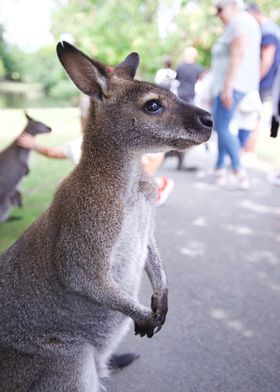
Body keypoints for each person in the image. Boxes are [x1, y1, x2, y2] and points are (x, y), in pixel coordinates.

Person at [210, 0, 261, 188]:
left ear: (232, 5)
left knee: (221, 126)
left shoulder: (239, 21)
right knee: (222, 125)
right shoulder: (242, 22)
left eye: (219, 9)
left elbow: (238, 54)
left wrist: (227, 87)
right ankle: (220, 167)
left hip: (233, 85)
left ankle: (239, 170)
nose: (218, 14)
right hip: (235, 84)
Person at [244, 3, 280, 155]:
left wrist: (254, 81)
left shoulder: (267, 31)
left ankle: (248, 152)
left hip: (265, 82)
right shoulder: (271, 29)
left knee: (254, 117)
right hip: (269, 81)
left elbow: (267, 60)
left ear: (255, 14)